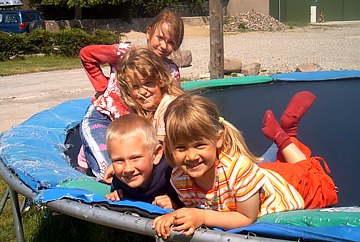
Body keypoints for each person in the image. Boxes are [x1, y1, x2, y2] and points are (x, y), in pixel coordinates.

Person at [152, 92, 337, 238]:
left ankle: (285, 136)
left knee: (316, 177)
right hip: (258, 180)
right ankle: (284, 136)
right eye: (181, 148)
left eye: (199, 145)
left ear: (218, 140)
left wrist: (201, 217)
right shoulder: (179, 178)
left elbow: (246, 218)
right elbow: (198, 208)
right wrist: (176, 214)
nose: (191, 156)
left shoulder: (239, 170)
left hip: (289, 188)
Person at [78, 9, 184, 180]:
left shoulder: (170, 70)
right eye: (160, 38)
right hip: (104, 116)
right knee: (110, 172)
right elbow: (87, 55)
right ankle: (88, 155)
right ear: (149, 32)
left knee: (143, 172)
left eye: (171, 42)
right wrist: (103, 86)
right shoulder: (125, 53)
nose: (164, 46)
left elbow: (170, 103)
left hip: (132, 128)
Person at [105, 114, 183, 209]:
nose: (128, 168)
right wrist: (117, 193)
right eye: (119, 160)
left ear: (156, 154)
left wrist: (176, 204)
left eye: (135, 158)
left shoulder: (172, 174)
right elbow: (117, 188)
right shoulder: (121, 177)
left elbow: (196, 203)